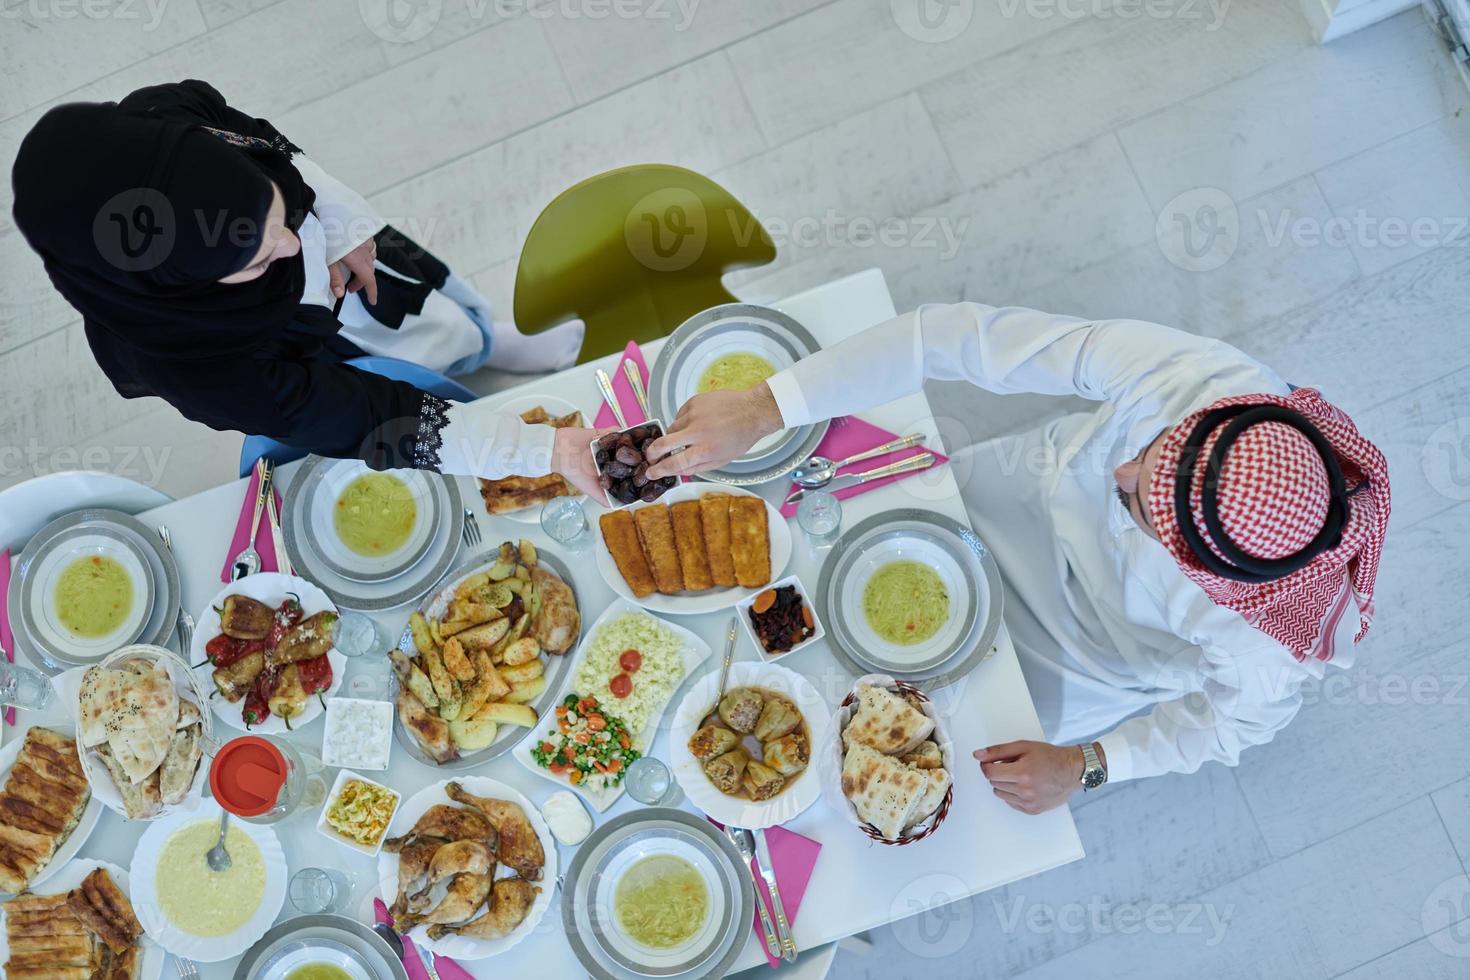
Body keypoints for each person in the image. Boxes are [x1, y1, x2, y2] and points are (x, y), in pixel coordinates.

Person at [646, 303, 1390, 813]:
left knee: (918, 765)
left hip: (1088, 657)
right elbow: (949, 337)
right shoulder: (1201, 379)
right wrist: (768, 405)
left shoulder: (1267, 640)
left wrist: (1091, 764)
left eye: (1139, 505)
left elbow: (1231, 727)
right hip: (1023, 490)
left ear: (1205, 575)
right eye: (1147, 456)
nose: (1121, 476)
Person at [10, 79, 598, 493]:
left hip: (353, 254)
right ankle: (467, 350)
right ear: (184, 283)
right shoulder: (207, 370)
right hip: (298, 337)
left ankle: (482, 343)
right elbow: (371, 417)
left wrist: (339, 224)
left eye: (275, 215)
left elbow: (265, 141)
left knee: (418, 307)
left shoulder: (165, 115)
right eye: (258, 255)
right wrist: (543, 450)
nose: (293, 245)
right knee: (387, 362)